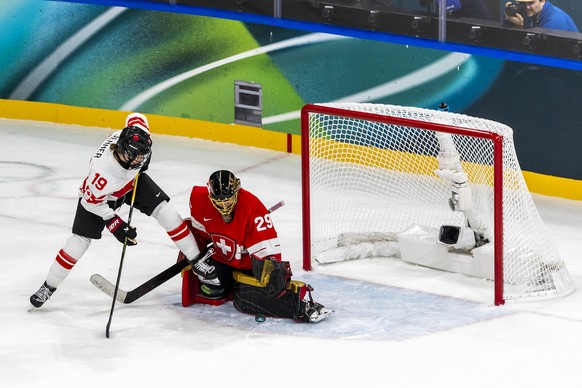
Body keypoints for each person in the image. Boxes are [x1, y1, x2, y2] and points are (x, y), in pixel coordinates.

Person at [29, 113, 201, 308]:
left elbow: (136, 117)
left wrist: (138, 162)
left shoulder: (136, 136)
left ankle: (197, 259)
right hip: (101, 199)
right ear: (124, 152)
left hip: (131, 184)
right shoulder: (102, 175)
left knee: (165, 211)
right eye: (137, 158)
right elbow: (90, 203)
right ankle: (48, 286)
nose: (141, 161)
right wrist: (114, 222)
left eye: (143, 156)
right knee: (80, 241)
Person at [181, 170, 333, 323]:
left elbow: (268, 255)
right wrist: (194, 257)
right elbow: (200, 235)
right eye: (219, 201)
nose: (224, 206)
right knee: (212, 290)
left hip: (248, 265)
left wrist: (275, 281)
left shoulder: (253, 208)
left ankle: (303, 306)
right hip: (221, 258)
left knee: (253, 297)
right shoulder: (199, 200)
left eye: (228, 201)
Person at [504, 0, 579, 32]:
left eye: (531, 3)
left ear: (542, 2)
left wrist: (520, 28)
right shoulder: (531, 13)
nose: (527, 7)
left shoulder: (553, 21)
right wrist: (509, 19)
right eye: (522, 4)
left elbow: (540, 53)